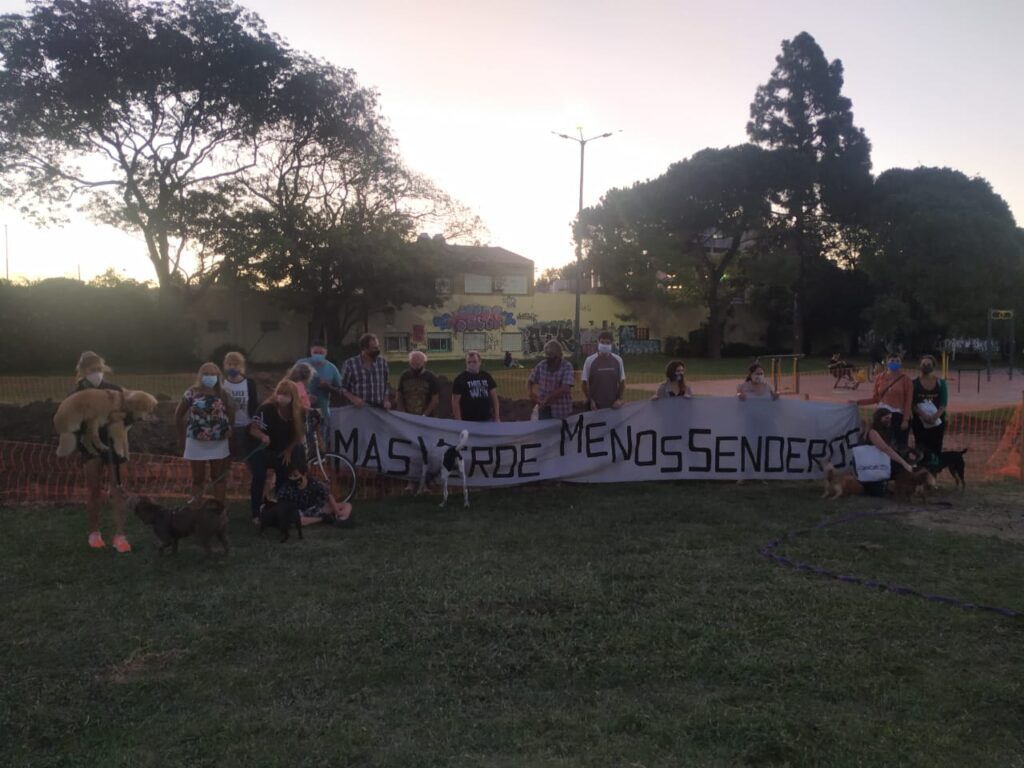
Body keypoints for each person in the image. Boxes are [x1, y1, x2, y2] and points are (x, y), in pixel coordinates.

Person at [70, 351, 133, 553]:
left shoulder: (114, 390)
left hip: (116, 445)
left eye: (98, 369)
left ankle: (120, 535)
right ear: (83, 371)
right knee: (94, 490)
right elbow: (70, 422)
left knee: (119, 489)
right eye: (91, 370)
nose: (96, 373)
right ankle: (94, 532)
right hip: (91, 446)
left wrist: (119, 420)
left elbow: (129, 416)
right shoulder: (76, 393)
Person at [174, 363, 235, 508]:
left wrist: (229, 428)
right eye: (206, 374)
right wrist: (182, 437)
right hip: (195, 442)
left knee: (218, 477)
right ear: (200, 376)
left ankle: (219, 512)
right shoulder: (191, 393)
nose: (210, 377)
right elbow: (178, 415)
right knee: (198, 478)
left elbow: (231, 413)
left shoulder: (223, 394)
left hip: (219, 442)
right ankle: (195, 512)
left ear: (218, 376)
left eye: (213, 374)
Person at [248, 379, 306, 523]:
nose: (281, 396)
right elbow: (253, 429)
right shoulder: (266, 408)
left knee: (283, 474)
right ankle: (256, 513)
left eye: (286, 394)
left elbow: (298, 436)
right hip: (259, 448)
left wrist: (288, 450)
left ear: (293, 396)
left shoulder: (299, 412)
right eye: (279, 393)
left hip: (280, 449)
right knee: (259, 477)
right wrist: (262, 436)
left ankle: (278, 509)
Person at [275, 455, 353, 527]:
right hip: (298, 512)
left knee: (347, 505)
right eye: (290, 476)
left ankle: (341, 520)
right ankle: (323, 519)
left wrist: (337, 511)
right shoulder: (287, 486)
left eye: (295, 475)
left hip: (315, 509)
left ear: (304, 474)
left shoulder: (313, 483)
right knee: (292, 519)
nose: (293, 478)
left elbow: (328, 495)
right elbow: (280, 501)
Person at [854, 353, 912, 446]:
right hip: (881, 415)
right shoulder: (880, 377)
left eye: (897, 361)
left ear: (901, 363)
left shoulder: (906, 380)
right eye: (892, 361)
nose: (895, 363)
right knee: (878, 442)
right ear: (887, 362)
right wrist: (858, 402)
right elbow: (875, 398)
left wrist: (905, 420)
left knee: (897, 444)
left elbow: (908, 401)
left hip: (897, 415)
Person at [859, 407, 916, 497]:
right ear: (879, 418)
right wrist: (904, 463)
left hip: (880, 462)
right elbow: (886, 449)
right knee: (877, 492)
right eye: (886, 418)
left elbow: (894, 447)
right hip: (871, 465)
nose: (889, 420)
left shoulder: (888, 431)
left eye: (890, 418)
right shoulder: (872, 432)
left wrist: (908, 452)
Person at [222, 351, 259, 461]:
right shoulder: (222, 384)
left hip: (246, 425)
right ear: (225, 365)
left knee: (245, 455)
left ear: (241, 366)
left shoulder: (249, 383)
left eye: (236, 364)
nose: (232, 367)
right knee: (229, 456)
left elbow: (254, 403)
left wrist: (254, 423)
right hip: (227, 426)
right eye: (229, 364)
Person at [295, 340, 342, 428]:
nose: (318, 355)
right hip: (301, 412)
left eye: (321, 353)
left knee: (322, 439)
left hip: (323, 412)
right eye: (315, 352)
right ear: (310, 352)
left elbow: (340, 390)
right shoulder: (301, 364)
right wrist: (305, 396)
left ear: (326, 353)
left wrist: (328, 387)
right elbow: (289, 383)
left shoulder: (331, 368)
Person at [911, 354, 948, 462]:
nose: (926, 366)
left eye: (928, 364)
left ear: (933, 366)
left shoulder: (941, 383)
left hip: (937, 421)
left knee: (936, 447)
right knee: (920, 447)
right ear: (919, 366)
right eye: (923, 364)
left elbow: (943, 403)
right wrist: (924, 416)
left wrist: (934, 417)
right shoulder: (914, 383)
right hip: (920, 422)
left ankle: (934, 471)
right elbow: (912, 404)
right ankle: (922, 471)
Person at [340, 333, 393, 410]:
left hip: (379, 409)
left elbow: (386, 384)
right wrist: (353, 398)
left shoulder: (382, 362)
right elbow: (342, 388)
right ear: (364, 349)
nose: (377, 350)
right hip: (358, 410)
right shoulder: (350, 364)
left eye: (378, 347)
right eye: (374, 348)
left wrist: (386, 400)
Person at [528, 340, 575, 420]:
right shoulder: (542, 365)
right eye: (547, 357)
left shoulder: (567, 366)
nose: (549, 361)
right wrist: (531, 393)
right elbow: (530, 380)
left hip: (561, 410)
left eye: (552, 358)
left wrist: (548, 398)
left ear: (560, 355)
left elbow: (565, 388)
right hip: (544, 409)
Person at [581, 330, 625, 410]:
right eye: (602, 342)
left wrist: (619, 399)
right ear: (598, 342)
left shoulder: (618, 360)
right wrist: (590, 400)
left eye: (607, 343)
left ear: (611, 344)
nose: (604, 345)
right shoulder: (589, 360)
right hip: (595, 407)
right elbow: (584, 383)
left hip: (612, 407)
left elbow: (622, 382)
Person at [452, 350, 500, 422]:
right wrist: (459, 422)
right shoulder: (459, 379)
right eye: (469, 362)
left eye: (474, 362)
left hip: (487, 419)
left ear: (480, 362)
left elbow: (494, 398)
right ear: (466, 363)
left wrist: (497, 416)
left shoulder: (487, 376)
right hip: (468, 421)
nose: (472, 364)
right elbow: (455, 403)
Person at [396, 350, 440, 417]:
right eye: (412, 364)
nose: (415, 367)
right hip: (407, 416)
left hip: (425, 417)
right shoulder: (404, 376)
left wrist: (425, 415)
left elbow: (435, 399)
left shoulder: (431, 377)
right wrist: (402, 413)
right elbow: (399, 396)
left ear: (424, 363)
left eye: (418, 364)